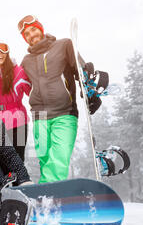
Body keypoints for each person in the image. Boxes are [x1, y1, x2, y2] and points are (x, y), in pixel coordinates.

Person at [17, 15, 92, 184]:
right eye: (27, 34)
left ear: (41, 28)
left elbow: (81, 70)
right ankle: (49, 196)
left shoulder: (64, 45)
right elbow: (20, 85)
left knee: (59, 157)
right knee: (44, 159)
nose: (31, 35)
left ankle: (46, 194)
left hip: (64, 113)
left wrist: (90, 89)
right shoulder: (26, 61)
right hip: (39, 116)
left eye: (33, 29)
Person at [0, 42, 32, 162]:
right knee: (0, 160)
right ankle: (2, 180)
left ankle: (20, 180)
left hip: (18, 121)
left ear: (7, 53)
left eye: (2, 50)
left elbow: (32, 92)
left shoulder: (19, 71)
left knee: (17, 158)